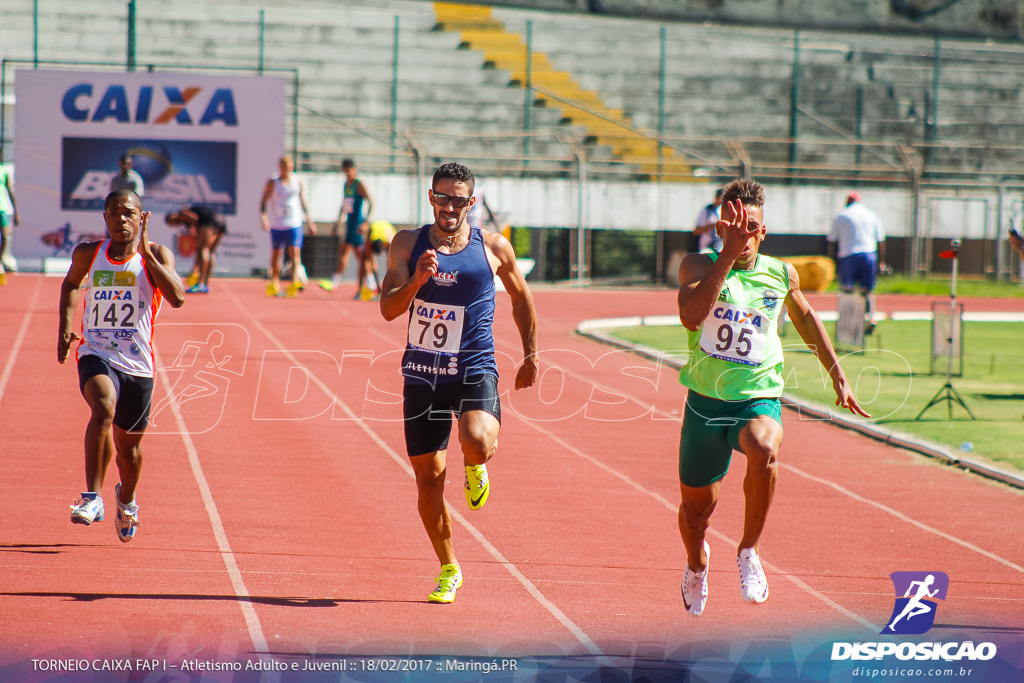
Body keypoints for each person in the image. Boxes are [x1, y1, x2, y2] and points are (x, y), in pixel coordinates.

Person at [675, 178, 869, 616]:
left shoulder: (782, 273)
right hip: (705, 404)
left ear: (763, 231)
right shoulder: (697, 266)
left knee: (764, 445)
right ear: (720, 228)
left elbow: (805, 317)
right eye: (734, 225)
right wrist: (726, 256)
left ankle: (748, 551)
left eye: (752, 226)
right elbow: (690, 318)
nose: (744, 233)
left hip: (756, 398)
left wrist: (838, 375)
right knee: (694, 514)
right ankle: (696, 563)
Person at [379, 162, 538, 604]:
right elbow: (388, 309)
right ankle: (449, 567)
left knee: (475, 438)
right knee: (428, 481)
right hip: (423, 374)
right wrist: (417, 280)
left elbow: (522, 297)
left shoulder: (492, 247)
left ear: (472, 202)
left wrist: (530, 355)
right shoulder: (407, 244)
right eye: (441, 197)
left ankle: (475, 463)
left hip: (474, 367)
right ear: (430, 198)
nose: (449, 206)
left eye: (459, 199)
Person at [57, 189, 185, 542]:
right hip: (96, 352)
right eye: (113, 213)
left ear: (141, 218)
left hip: (138, 365)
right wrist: (65, 329)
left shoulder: (156, 255)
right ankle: (92, 498)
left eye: (128, 213)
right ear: (105, 218)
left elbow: (178, 298)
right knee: (102, 408)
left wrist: (146, 253)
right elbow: (70, 284)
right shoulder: (89, 253)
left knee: (129, 452)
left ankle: (126, 500)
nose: (120, 219)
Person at [828, 192, 886, 333]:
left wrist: (832, 261)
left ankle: (849, 321)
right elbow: (881, 240)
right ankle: (871, 318)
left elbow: (831, 240)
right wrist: (881, 262)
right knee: (867, 290)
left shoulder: (842, 215)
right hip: (869, 254)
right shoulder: (871, 214)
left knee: (847, 290)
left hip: (848, 255)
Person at [260, 156, 317, 297]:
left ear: (292, 167)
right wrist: (264, 218)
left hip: (294, 223)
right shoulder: (273, 182)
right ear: (280, 167)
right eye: (283, 166)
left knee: (295, 253)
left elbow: (303, 201)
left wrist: (309, 221)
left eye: (288, 166)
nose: (285, 169)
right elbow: (263, 201)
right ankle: (274, 281)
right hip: (277, 224)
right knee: (276, 253)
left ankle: (294, 282)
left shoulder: (297, 181)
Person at [321, 159, 373, 296]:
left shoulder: (359, 184)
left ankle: (335, 282)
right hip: (349, 222)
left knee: (346, 251)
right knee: (359, 256)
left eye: (350, 169)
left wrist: (366, 222)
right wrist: (338, 222)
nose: (348, 172)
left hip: (357, 223)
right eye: (345, 170)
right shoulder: (346, 185)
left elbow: (371, 202)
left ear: (354, 169)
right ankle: (371, 284)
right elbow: (344, 205)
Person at [165, 205, 227, 294]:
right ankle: (204, 284)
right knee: (210, 252)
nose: (174, 223)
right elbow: (194, 229)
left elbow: (195, 219)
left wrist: (195, 268)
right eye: (172, 224)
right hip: (219, 221)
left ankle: (201, 284)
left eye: (173, 221)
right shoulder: (185, 222)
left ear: (174, 215)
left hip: (209, 221)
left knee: (203, 250)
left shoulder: (182, 214)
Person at [359, 220, 397, 300]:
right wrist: (377, 284)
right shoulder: (370, 238)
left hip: (388, 231)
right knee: (365, 258)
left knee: (392, 262)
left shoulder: (391, 239)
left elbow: (391, 264)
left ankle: (391, 288)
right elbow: (370, 261)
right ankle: (364, 287)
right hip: (374, 230)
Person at [0, 148, 19, 285]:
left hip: (3, 208)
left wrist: (16, 212)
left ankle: (1, 260)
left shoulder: (4, 170)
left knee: (6, 235)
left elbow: (10, 190)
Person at [692, 188, 724, 254]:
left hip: (720, 247)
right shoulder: (706, 211)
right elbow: (696, 231)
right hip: (706, 247)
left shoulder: (724, 211)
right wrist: (709, 227)